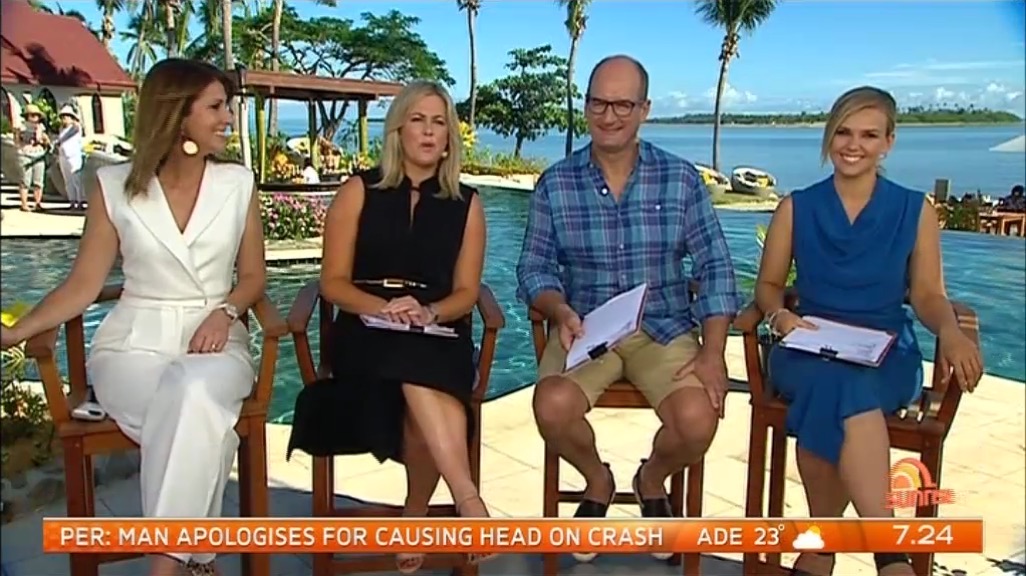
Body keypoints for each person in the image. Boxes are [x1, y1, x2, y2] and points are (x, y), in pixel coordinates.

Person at [0, 58, 266, 576]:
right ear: (177, 114)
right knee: (201, 425)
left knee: (194, 392)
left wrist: (227, 311)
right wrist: (15, 333)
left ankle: (162, 567)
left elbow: (253, 276)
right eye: (216, 107)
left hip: (216, 342)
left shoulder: (237, 183)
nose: (228, 118)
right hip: (132, 347)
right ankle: (197, 558)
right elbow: (83, 284)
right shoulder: (114, 186)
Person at [516, 55, 740, 562]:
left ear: (644, 109)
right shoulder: (556, 183)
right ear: (585, 106)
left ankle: (651, 479)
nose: (609, 115)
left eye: (622, 104)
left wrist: (713, 352)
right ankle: (598, 480)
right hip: (585, 325)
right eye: (598, 103)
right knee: (551, 406)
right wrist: (558, 309)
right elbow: (533, 268)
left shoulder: (680, 179)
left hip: (662, 325)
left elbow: (716, 266)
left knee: (698, 419)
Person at [755, 86, 983, 576]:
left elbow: (928, 295)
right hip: (808, 342)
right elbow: (769, 286)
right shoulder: (796, 207)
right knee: (835, 381)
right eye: (843, 132)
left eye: (869, 135)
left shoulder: (915, 210)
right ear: (828, 136)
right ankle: (889, 553)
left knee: (843, 386)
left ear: (888, 143)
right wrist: (780, 317)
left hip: (886, 351)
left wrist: (951, 331)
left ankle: (820, 549)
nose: (853, 145)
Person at [286, 80, 490, 574]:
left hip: (435, 327)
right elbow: (332, 283)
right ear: (398, 130)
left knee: (425, 365)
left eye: (439, 122)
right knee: (417, 364)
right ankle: (466, 496)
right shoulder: (359, 190)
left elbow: (467, 291)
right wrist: (383, 308)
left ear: (450, 137)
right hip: (367, 329)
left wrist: (431, 313)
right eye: (418, 120)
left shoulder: (468, 204)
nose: (429, 131)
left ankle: (415, 514)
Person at [16, 103, 50, 212]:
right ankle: (24, 204)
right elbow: (17, 140)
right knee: (25, 181)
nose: (35, 117)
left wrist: (44, 141)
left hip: (39, 154)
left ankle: (38, 203)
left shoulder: (41, 127)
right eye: (33, 115)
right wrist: (20, 148)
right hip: (25, 154)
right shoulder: (21, 127)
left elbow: (46, 140)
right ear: (27, 116)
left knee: (38, 181)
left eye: (37, 115)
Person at [56, 105, 86, 210]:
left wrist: (58, 141)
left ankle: (80, 201)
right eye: (63, 117)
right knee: (68, 181)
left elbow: (68, 135)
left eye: (67, 116)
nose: (64, 119)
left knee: (76, 180)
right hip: (63, 156)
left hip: (74, 157)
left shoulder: (75, 128)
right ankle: (72, 201)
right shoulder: (61, 130)